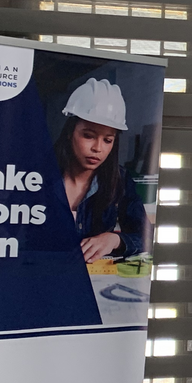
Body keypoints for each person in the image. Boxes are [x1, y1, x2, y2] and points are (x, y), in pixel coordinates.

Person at [55, 77, 150, 262]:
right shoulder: (39, 176)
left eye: (108, 140)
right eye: (88, 136)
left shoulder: (120, 180)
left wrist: (114, 240)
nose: (98, 148)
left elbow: (146, 237)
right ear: (70, 132)